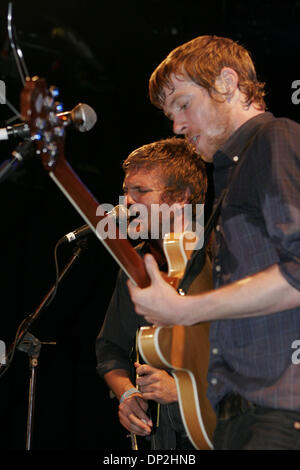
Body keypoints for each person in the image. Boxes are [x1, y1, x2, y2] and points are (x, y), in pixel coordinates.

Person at [127, 35, 300, 450]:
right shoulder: (229, 177)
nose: (177, 126)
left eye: (183, 104)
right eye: (170, 114)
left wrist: (187, 309)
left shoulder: (273, 138)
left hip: (281, 410)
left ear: (227, 82)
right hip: (234, 414)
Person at [96, 137, 208, 450]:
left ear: (182, 198)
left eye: (141, 191)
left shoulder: (223, 257)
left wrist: (187, 391)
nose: (127, 202)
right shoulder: (133, 266)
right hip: (160, 441)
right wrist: (127, 393)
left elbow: (254, 356)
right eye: (126, 191)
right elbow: (110, 348)